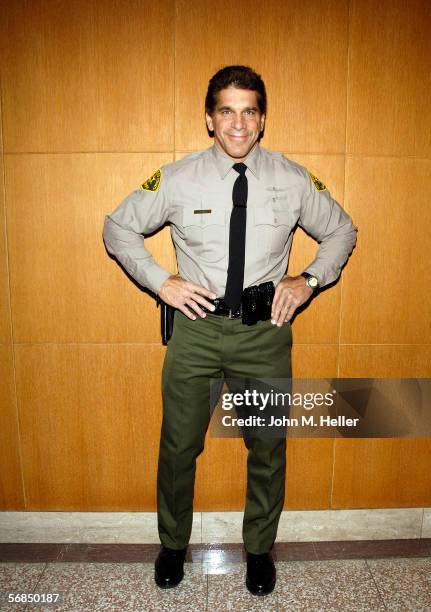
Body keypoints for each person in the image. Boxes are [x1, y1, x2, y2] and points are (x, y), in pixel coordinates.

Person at [102, 65, 357, 596]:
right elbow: (118, 226)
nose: (237, 123)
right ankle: (173, 544)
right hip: (195, 332)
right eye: (226, 111)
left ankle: (260, 549)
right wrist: (159, 281)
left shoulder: (290, 179)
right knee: (178, 446)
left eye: (248, 111)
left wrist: (308, 279)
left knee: (267, 446)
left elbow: (341, 230)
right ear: (209, 119)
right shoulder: (177, 178)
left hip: (264, 334)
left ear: (261, 120)